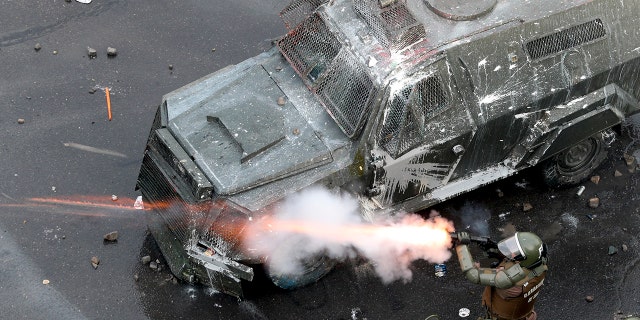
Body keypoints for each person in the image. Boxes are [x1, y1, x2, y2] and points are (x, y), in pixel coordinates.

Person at [453, 232, 548, 320]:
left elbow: (473, 275)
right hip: (524, 313)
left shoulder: (511, 281)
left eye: (516, 253)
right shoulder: (538, 262)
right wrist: (494, 248)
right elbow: (515, 258)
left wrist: (461, 245)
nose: (513, 252)